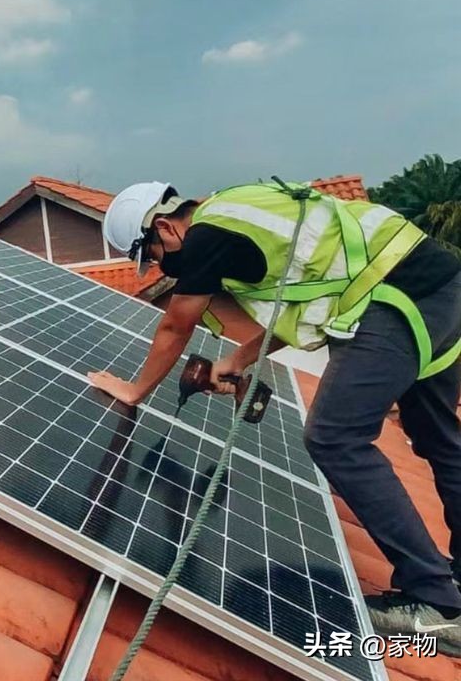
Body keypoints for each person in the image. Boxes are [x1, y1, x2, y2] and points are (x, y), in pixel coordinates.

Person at [88, 180, 461, 653]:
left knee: (334, 438)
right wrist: (241, 360)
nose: (162, 266)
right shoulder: (241, 215)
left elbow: (175, 323)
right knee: (439, 439)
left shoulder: (206, 234)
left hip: (395, 296)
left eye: (156, 254)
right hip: (439, 284)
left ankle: (438, 607)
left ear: (164, 226)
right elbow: (312, 295)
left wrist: (134, 388)